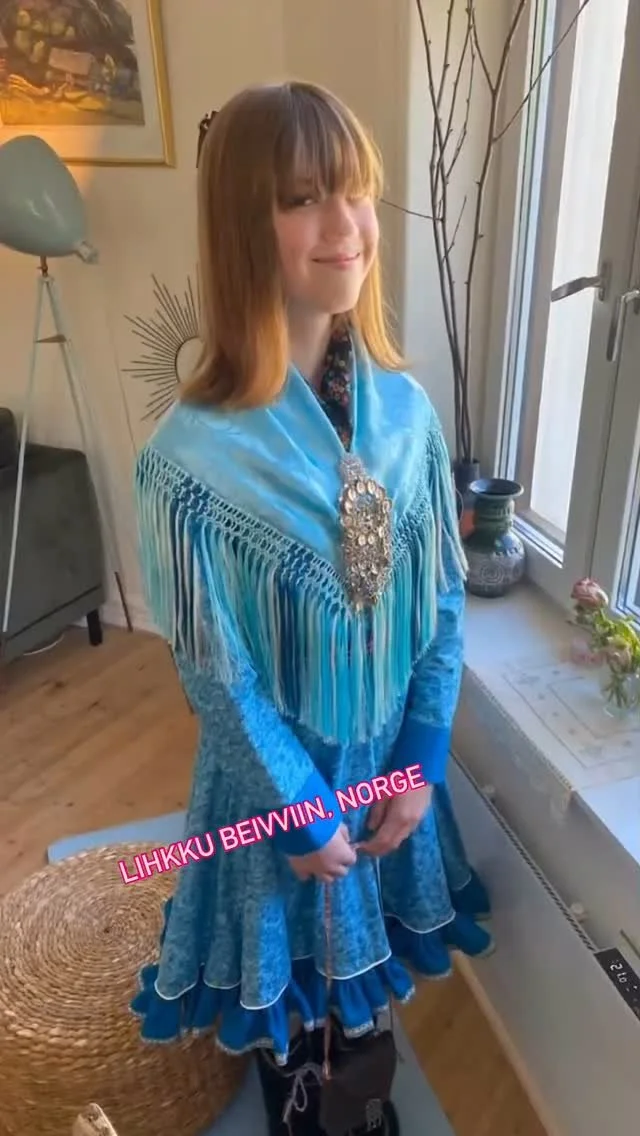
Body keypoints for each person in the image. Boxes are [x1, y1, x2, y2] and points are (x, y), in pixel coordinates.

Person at [131, 80, 492, 1136]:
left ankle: (353, 1087)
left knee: (365, 956)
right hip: (273, 780)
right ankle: (298, 1090)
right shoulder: (190, 460)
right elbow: (217, 674)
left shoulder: (407, 415)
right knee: (287, 960)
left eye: (357, 192)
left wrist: (420, 757)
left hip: (384, 759)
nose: (346, 227)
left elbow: (440, 597)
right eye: (301, 199)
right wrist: (296, 806)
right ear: (244, 226)